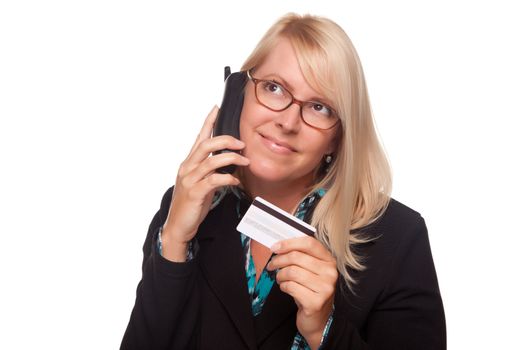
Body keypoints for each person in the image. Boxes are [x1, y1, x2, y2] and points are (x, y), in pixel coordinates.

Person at [120, 13, 446, 350]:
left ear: (338, 137)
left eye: (319, 107)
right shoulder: (186, 207)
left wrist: (325, 331)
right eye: (274, 88)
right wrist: (174, 241)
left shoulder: (398, 237)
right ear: (240, 92)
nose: (288, 122)